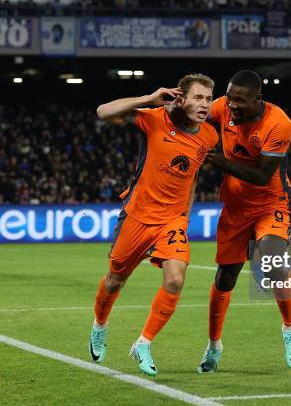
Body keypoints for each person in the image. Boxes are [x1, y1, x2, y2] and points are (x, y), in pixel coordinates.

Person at [89, 74, 218, 376]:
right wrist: (149, 98)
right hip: (137, 216)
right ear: (181, 99)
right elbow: (103, 111)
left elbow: (193, 177)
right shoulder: (154, 119)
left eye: (209, 99)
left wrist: (185, 215)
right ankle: (99, 323)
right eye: (198, 98)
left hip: (172, 221)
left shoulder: (209, 137)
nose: (205, 104)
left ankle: (143, 343)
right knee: (114, 280)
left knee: (175, 279)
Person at [198, 70, 291, 373]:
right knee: (224, 278)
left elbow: (261, 175)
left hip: (271, 202)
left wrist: (222, 163)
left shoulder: (278, 123)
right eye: (229, 98)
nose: (231, 106)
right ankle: (214, 346)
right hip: (235, 207)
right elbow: (195, 115)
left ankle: (289, 328)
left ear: (258, 99)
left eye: (240, 101)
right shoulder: (223, 107)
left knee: (273, 263)